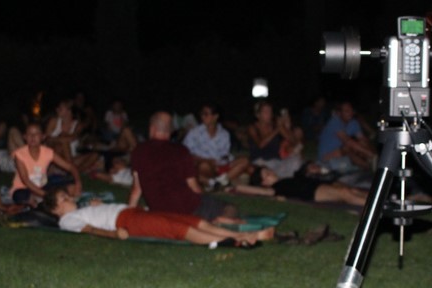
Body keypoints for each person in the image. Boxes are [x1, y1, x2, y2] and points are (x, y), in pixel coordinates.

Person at [40, 188, 273, 247]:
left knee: (190, 221)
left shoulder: (81, 208)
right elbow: (89, 230)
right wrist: (113, 234)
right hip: (126, 222)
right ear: (56, 209)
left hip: (134, 213)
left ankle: (241, 234)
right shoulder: (66, 221)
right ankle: (234, 241)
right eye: (63, 198)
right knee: (176, 229)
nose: (69, 197)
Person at [129, 111, 240, 224]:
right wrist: (202, 198)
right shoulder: (180, 151)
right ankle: (215, 222)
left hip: (159, 210)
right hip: (188, 208)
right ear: (170, 131)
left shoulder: (138, 151)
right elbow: (193, 187)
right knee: (230, 208)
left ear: (152, 128)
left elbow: (136, 189)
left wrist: (129, 216)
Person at [10, 122, 83, 207]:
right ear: (25, 137)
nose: (33, 137)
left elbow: (70, 167)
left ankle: (43, 201)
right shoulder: (19, 154)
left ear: (43, 137)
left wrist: (78, 182)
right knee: (20, 196)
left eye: (36, 134)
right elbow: (25, 180)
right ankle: (43, 201)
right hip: (24, 189)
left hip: (43, 186)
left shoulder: (48, 152)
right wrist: (47, 195)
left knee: (71, 185)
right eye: (30, 134)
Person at [232, 163, 369, 207]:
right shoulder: (275, 188)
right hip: (311, 191)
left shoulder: (285, 179)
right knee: (345, 193)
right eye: (267, 174)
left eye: (269, 170)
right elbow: (259, 192)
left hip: (314, 184)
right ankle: (376, 208)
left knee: (351, 189)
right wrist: (234, 187)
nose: (271, 172)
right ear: (264, 183)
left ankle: (382, 201)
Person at [183, 103, 250, 189]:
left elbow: (225, 154)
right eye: (202, 114)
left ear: (215, 116)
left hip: (220, 165)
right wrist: (207, 160)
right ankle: (220, 182)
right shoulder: (194, 133)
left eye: (206, 114)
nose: (203, 117)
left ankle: (216, 183)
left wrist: (223, 160)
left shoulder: (224, 134)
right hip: (204, 165)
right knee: (204, 166)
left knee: (244, 161)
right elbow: (186, 153)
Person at [246, 100, 304, 178]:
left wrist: (287, 127)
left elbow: (293, 141)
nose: (269, 114)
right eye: (265, 112)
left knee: (296, 161)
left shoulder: (275, 126)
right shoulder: (253, 128)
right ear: (258, 115)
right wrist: (277, 129)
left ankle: (280, 178)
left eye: (270, 111)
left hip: (277, 162)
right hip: (260, 162)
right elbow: (261, 144)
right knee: (263, 170)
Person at [316, 100, 376, 173]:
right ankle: (370, 164)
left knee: (358, 146)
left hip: (342, 153)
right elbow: (347, 141)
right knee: (348, 148)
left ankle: (370, 167)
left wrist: (370, 151)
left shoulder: (353, 122)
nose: (350, 113)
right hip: (326, 156)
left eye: (351, 110)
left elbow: (363, 139)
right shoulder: (334, 122)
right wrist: (371, 154)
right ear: (339, 113)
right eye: (346, 111)